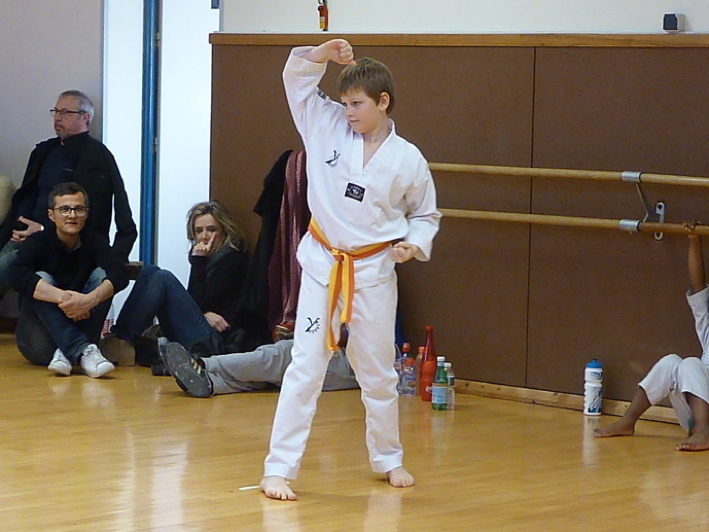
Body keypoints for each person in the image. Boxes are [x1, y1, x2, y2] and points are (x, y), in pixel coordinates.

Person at [260, 39, 441, 501]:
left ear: (383, 102)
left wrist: (412, 244)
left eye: (357, 104)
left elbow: (426, 214)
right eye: (344, 103)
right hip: (324, 266)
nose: (349, 112)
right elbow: (296, 81)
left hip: (374, 271)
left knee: (377, 371)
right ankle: (278, 468)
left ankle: (388, 457)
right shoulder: (325, 125)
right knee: (306, 366)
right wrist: (321, 53)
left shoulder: (408, 159)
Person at [0, 90, 137, 293]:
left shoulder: (96, 155)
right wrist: (20, 225)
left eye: (65, 112)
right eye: (55, 111)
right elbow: (28, 195)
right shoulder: (44, 151)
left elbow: (91, 215)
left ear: (85, 117)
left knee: (9, 267)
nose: (57, 117)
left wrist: (41, 230)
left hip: (59, 246)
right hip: (24, 237)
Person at [594, 222, 709, 451]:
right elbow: (698, 285)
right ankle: (628, 421)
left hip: (704, 421)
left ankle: (703, 432)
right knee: (671, 362)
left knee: (690, 364)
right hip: (695, 413)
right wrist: (694, 240)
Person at [9, 182, 129, 377]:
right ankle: (81, 349)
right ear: (51, 215)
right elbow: (16, 274)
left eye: (78, 209)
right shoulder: (37, 242)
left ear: (86, 214)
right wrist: (63, 298)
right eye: (64, 209)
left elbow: (120, 273)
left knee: (101, 276)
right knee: (41, 278)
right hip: (39, 344)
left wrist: (88, 300)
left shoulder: (94, 241)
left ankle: (70, 350)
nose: (72, 215)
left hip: (78, 333)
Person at [105, 200, 248, 363]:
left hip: (215, 342)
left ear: (223, 230)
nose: (204, 236)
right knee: (149, 271)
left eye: (211, 229)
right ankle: (120, 338)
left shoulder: (232, 259)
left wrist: (198, 262)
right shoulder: (209, 258)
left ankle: (122, 341)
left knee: (163, 277)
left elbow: (200, 301)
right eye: (199, 231)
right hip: (203, 326)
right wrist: (204, 313)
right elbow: (199, 304)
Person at [162, 337, 359, 398]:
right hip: (351, 361)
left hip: (353, 363)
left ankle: (202, 364)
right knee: (266, 377)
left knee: (282, 354)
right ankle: (210, 382)